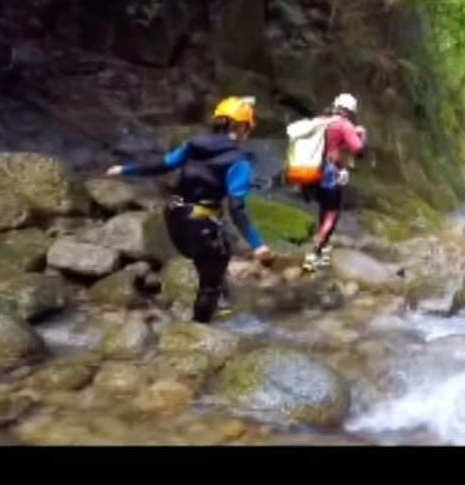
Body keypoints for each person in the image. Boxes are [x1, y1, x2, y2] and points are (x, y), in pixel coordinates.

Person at [105, 95, 272, 322]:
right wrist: (258, 244)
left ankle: (220, 298)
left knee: (220, 245)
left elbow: (163, 165)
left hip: (174, 219)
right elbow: (237, 206)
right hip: (200, 225)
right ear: (242, 126)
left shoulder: (193, 145)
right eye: (248, 127)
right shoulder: (239, 160)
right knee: (212, 274)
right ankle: (199, 331)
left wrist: (125, 169)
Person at [303, 92, 367, 272]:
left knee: (324, 209)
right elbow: (359, 151)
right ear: (350, 111)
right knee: (332, 212)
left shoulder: (321, 120)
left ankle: (321, 253)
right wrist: (362, 135)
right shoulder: (344, 125)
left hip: (310, 170)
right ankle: (314, 255)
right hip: (329, 172)